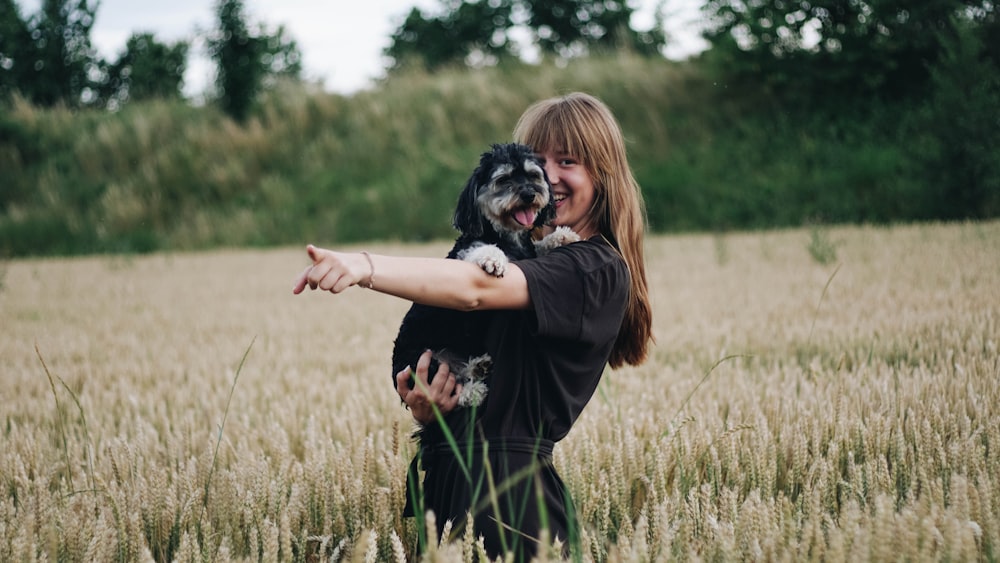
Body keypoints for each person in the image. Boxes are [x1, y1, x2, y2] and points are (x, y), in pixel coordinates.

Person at [293, 92, 653, 560]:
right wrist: (432, 408)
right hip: (448, 487)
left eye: (568, 161)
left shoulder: (593, 268)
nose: (547, 177)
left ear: (602, 176)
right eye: (538, 160)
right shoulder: (528, 257)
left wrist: (363, 266)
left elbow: (474, 287)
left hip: (510, 506)